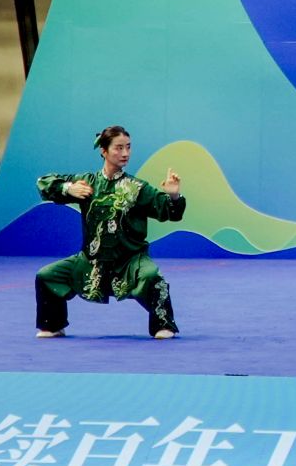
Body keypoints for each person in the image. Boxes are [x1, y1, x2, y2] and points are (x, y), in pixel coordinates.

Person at [33, 125, 186, 339]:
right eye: (119, 148)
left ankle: (163, 324)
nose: (125, 153)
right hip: (91, 261)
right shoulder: (87, 183)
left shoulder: (137, 188)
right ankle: (53, 325)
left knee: (152, 276)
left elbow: (169, 212)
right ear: (104, 151)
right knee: (47, 276)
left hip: (130, 262)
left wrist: (173, 196)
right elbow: (44, 183)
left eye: (128, 147)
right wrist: (68, 188)